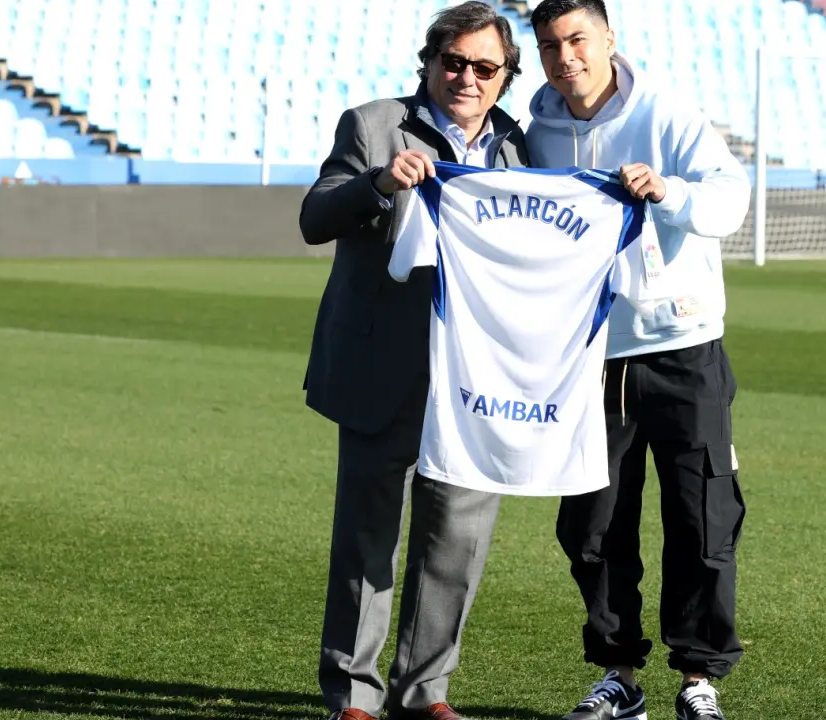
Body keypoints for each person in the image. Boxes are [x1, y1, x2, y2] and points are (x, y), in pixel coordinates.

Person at [297, 3, 529, 720]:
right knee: (367, 541)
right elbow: (314, 218)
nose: (467, 77)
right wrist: (378, 183)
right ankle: (354, 697)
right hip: (383, 366)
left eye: (484, 67)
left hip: (474, 379)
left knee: (457, 541)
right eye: (453, 62)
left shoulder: (518, 146)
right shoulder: (373, 125)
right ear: (428, 63)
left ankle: (425, 693)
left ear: (505, 77)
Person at [523, 2, 752, 720]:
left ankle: (699, 681)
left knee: (703, 519)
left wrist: (669, 191)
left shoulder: (669, 114)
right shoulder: (536, 133)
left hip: (684, 348)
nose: (566, 57)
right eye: (550, 44)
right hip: (590, 359)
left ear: (608, 40)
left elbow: (730, 199)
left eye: (578, 39)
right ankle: (618, 676)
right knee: (593, 527)